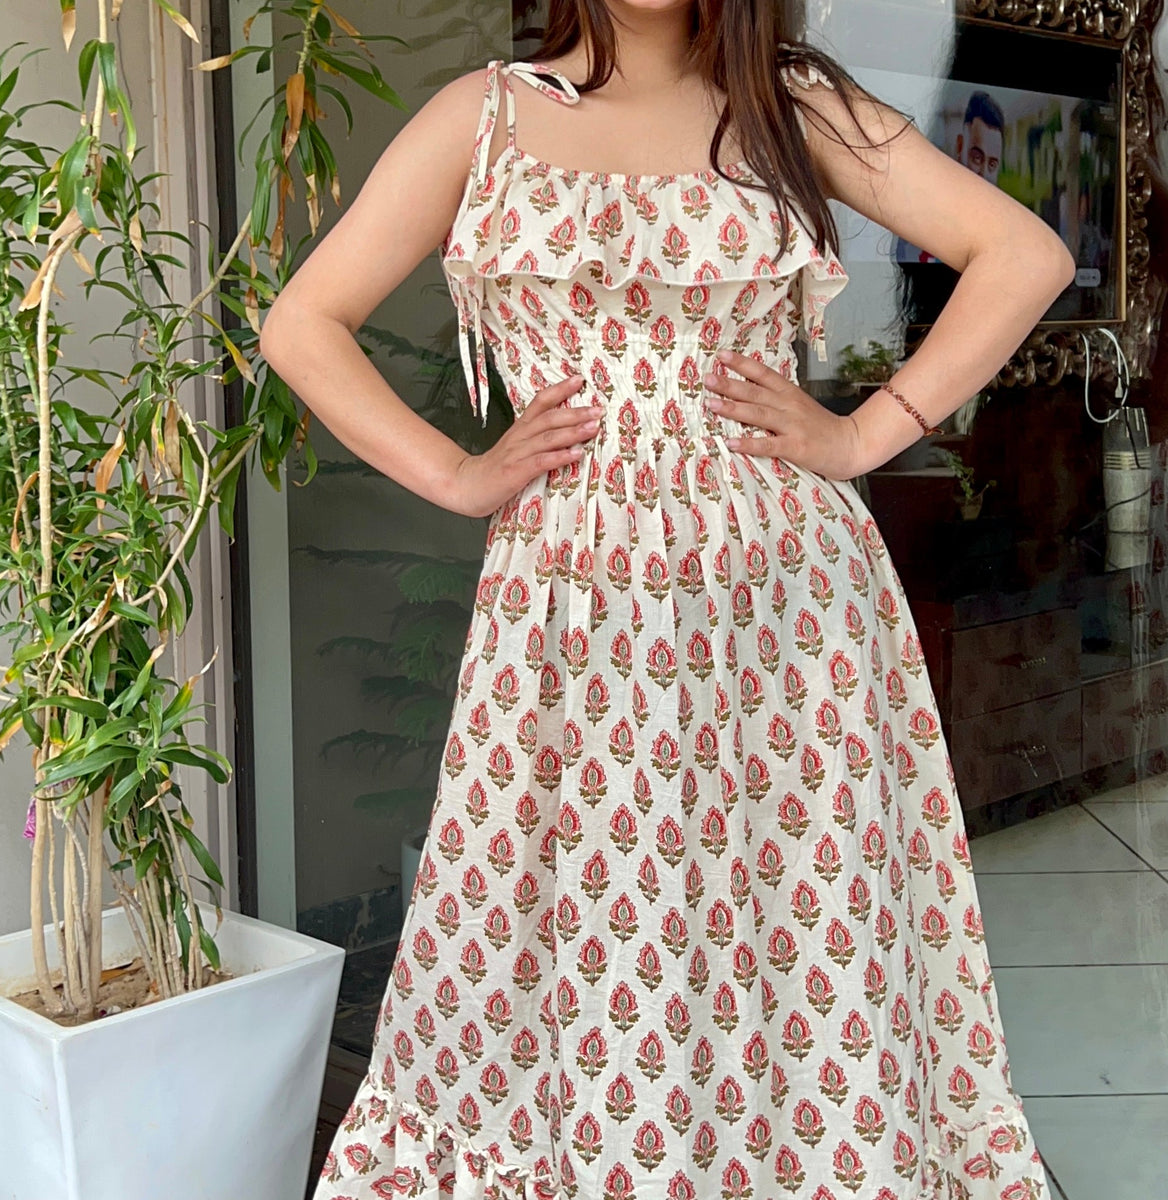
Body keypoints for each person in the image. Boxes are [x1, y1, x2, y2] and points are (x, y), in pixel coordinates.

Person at [261, 2, 1072, 1196]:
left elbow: (1026, 255)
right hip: (573, 612)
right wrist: (460, 476)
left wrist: (863, 437)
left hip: (787, 602)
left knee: (796, 917)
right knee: (571, 929)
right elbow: (301, 324)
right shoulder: (483, 119)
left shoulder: (792, 100)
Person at [895, 89, 1005, 263]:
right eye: (976, 157)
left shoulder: (1005, 238)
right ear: (960, 147)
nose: (984, 175)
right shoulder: (922, 222)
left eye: (992, 165)